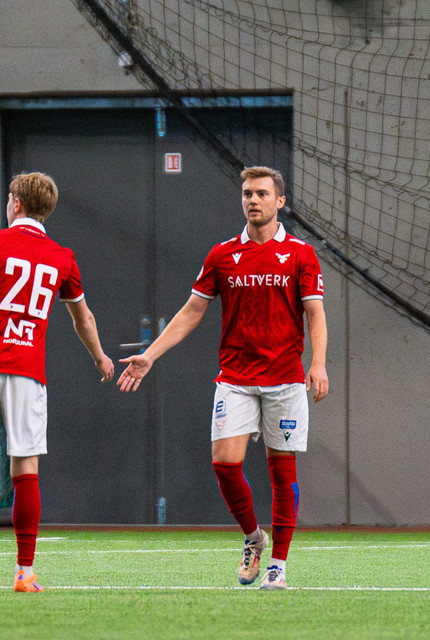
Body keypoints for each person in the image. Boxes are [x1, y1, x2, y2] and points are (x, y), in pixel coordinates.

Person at [118, 166, 328, 590]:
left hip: (285, 378)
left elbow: (315, 313)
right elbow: (191, 311)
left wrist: (319, 363)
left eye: (262, 194)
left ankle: (279, 566)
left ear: (280, 201)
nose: (253, 200)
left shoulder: (301, 254)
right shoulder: (222, 254)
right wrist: (150, 355)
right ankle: (253, 537)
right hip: (235, 377)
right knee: (225, 464)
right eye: (247, 193)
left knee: (282, 473)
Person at [0, 172, 114, 591]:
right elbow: (83, 318)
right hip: (28, 371)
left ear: (16, 202)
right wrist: (100, 356)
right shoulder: (62, 256)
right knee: (26, 467)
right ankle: (24, 572)